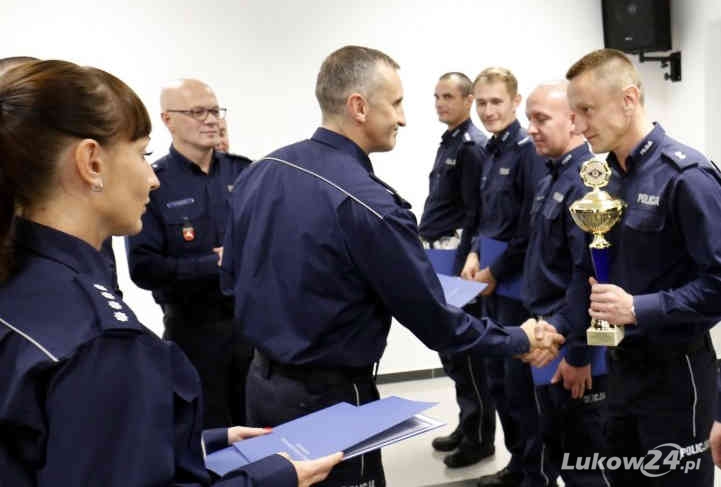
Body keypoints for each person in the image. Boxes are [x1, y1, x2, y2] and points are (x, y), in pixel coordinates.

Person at [220, 45, 564, 487]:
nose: (403, 118)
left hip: (261, 386)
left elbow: (230, 281)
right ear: (359, 107)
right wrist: (519, 338)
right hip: (331, 404)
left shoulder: (260, 172)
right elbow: (437, 322)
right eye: (397, 104)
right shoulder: (369, 204)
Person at [0, 59, 341, 486]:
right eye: (141, 153)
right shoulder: (102, 343)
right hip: (195, 327)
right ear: (91, 162)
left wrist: (195, 443)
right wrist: (275, 479)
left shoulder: (22, 284)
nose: (152, 178)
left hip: (244, 329)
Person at [567, 48, 721, 486]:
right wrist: (562, 335)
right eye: (574, 112)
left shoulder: (686, 177)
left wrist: (640, 307)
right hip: (619, 370)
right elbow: (587, 275)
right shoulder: (604, 181)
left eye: (587, 110)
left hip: (676, 374)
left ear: (629, 99)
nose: (578, 124)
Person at [127, 78, 254, 428]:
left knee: (258, 429)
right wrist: (214, 263)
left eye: (215, 111)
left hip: (251, 329)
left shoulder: (245, 172)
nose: (211, 119)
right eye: (198, 112)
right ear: (168, 120)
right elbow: (144, 267)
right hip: (193, 332)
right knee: (208, 432)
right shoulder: (154, 183)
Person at [461, 67, 549, 487]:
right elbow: (484, 217)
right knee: (497, 382)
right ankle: (517, 465)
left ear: (515, 102)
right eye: (481, 103)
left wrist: (494, 270)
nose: (488, 110)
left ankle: (534, 472)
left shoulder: (527, 150)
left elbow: (528, 228)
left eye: (496, 101)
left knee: (520, 388)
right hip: (490, 283)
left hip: (515, 286)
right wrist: (476, 253)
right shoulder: (491, 150)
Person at [521, 81, 611, 487]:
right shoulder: (552, 178)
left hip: (574, 343)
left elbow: (593, 276)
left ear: (572, 121)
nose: (531, 129)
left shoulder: (587, 184)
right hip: (550, 333)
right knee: (559, 445)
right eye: (529, 119)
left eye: (541, 119)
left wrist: (579, 355)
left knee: (587, 460)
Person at [419, 72, 495, 468]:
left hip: (455, 256)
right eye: (436, 96)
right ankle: (468, 423)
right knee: (451, 351)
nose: (440, 103)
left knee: (466, 350)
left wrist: (468, 260)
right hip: (438, 253)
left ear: (468, 100)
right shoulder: (450, 141)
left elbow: (474, 213)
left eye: (448, 96)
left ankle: (480, 437)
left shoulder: (471, 147)